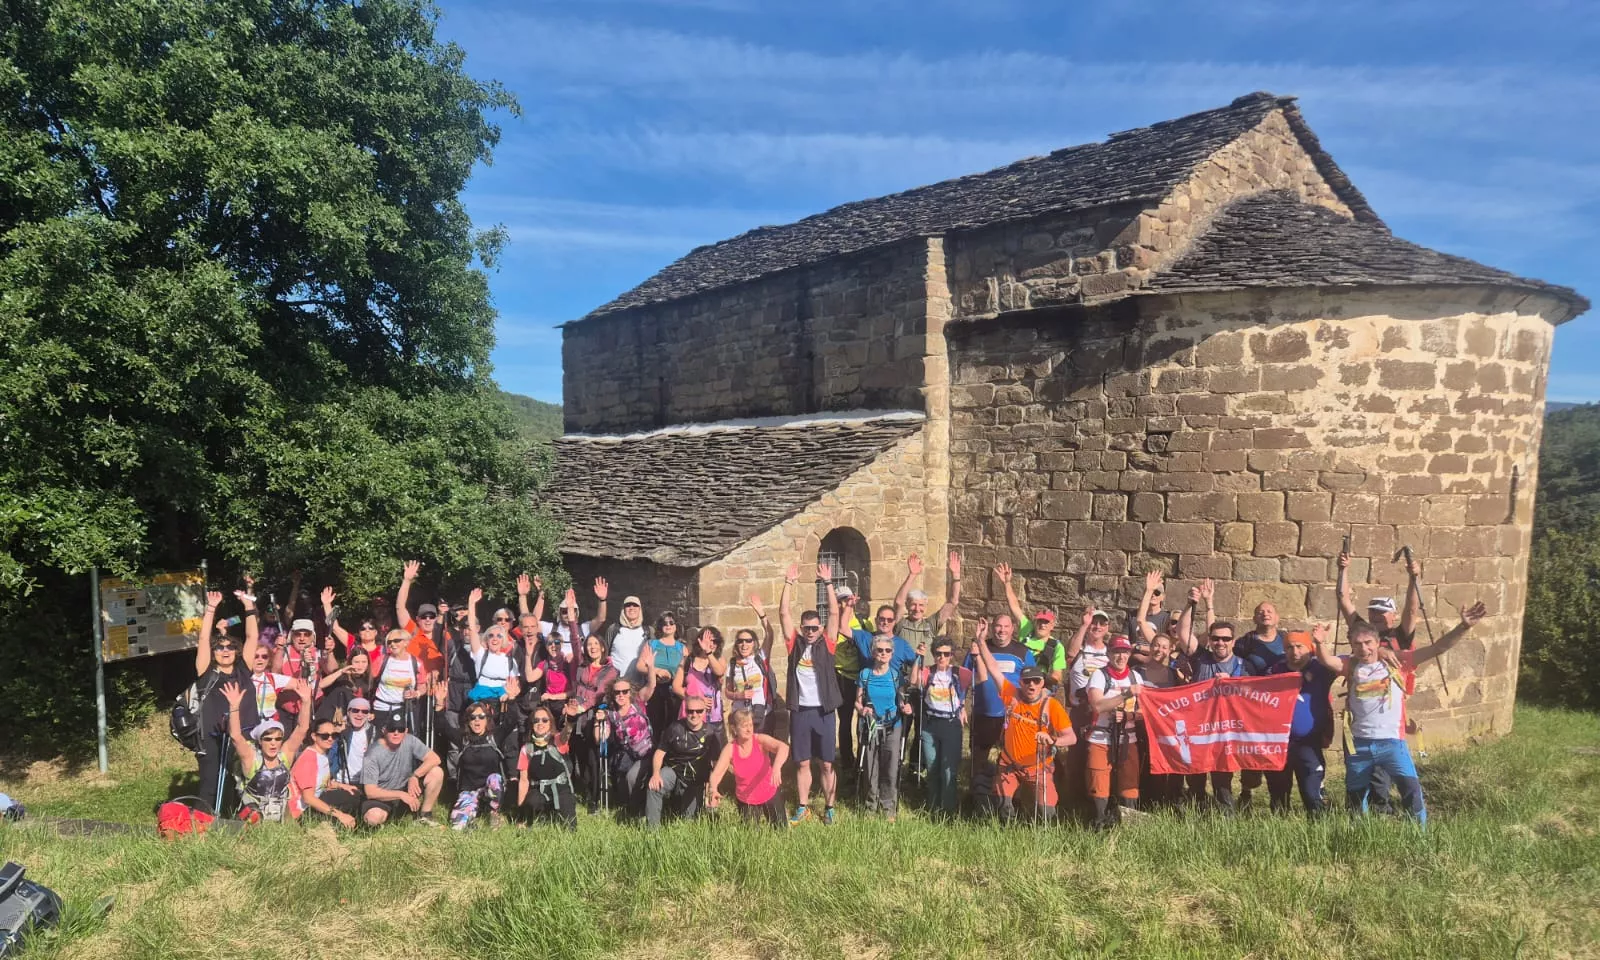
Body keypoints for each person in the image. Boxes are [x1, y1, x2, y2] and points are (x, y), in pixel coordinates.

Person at [1343, 602, 1485, 825]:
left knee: (1410, 786)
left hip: (1392, 742)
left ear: (1378, 642)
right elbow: (1322, 659)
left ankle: (1419, 832)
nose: (1364, 648)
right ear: (1352, 645)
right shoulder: (1351, 664)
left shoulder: (1399, 661)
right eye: (1358, 644)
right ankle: (1356, 833)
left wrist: (1463, 627)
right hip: (1360, 742)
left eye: (1369, 643)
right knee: (1355, 792)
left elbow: (1437, 648)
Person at [970, 618, 1074, 823]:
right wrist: (981, 641)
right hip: (1009, 767)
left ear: (1042, 683)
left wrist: (1053, 740)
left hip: (1038, 768)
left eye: (1036, 681)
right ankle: (1006, 830)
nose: (1032, 686)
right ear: (1021, 682)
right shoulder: (1012, 695)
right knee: (1002, 808)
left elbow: (1071, 738)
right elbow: (993, 668)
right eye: (1027, 681)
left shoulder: (1050, 705)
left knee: (1047, 815)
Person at [778, 562, 844, 825]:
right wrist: (788, 583)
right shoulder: (794, 645)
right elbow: (783, 613)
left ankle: (829, 806)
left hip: (824, 711)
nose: (810, 631)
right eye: (807, 627)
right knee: (802, 762)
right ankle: (803, 806)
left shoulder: (827, 644)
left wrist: (828, 583)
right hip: (801, 711)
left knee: (826, 763)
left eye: (814, 627)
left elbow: (835, 615)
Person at [192, 589, 262, 814]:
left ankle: (236, 821)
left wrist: (248, 607)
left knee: (242, 780)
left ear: (236, 650)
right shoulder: (207, 672)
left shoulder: (243, 669)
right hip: (212, 736)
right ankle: (202, 822)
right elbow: (203, 638)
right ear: (214, 653)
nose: (225, 650)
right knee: (209, 783)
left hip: (244, 734)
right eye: (219, 647)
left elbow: (253, 637)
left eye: (230, 647)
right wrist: (211, 608)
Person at [964, 602, 1035, 816]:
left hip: (1012, 716)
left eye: (1005, 627)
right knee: (979, 757)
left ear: (1013, 629)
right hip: (984, 713)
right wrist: (959, 704)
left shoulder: (1023, 652)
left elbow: (1033, 681)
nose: (1001, 631)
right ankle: (977, 800)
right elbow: (964, 678)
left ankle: (1012, 801)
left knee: (1013, 759)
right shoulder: (979, 649)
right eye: (997, 626)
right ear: (991, 628)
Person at [1266, 628, 1341, 815]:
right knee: (1278, 794)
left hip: (1310, 741)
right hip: (1280, 743)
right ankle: (1278, 834)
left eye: (1299, 646)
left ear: (1309, 648)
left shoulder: (1322, 669)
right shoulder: (1275, 670)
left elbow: (1348, 662)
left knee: (1312, 792)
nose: (1295, 651)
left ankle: (1319, 832)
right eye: (1290, 647)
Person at [1185, 619, 1256, 812]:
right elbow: (1184, 633)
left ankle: (1227, 822)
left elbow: (1254, 698)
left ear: (1233, 641)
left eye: (1226, 638)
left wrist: (1233, 683)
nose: (1220, 643)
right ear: (1209, 640)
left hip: (1225, 733)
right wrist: (1191, 604)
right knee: (1195, 779)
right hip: (1199, 729)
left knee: (1222, 782)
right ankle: (1198, 817)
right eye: (1216, 638)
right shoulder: (1201, 659)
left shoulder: (1244, 666)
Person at [218, 679, 312, 822]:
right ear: (260, 742)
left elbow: (302, 729)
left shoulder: (285, 756)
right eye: (268, 739)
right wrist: (234, 707)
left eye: (278, 739)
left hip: (281, 817)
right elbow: (236, 736)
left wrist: (306, 702)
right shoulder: (252, 759)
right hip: (253, 819)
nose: (273, 744)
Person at [433, 683, 517, 830]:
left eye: (481, 716)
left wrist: (512, 699)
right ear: (468, 721)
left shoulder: (494, 736)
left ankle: (493, 812)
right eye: (473, 717)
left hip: (491, 789)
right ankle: (473, 817)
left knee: (495, 779)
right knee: (457, 827)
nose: (477, 720)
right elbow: (442, 728)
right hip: (469, 790)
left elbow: (511, 721)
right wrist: (440, 703)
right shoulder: (463, 738)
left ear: (487, 719)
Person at [1084, 636, 1143, 828]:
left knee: (1129, 780)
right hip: (1101, 737)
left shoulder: (1136, 677)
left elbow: (1145, 711)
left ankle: (1129, 822)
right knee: (1098, 780)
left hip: (1128, 738)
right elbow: (1097, 706)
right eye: (1116, 652)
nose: (1121, 656)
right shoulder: (1099, 676)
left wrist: (1128, 717)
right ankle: (1099, 821)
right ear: (1109, 653)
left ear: (1129, 654)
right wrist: (1125, 694)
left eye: (1125, 652)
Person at [908, 636, 970, 817]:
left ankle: (948, 810)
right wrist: (917, 658)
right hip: (930, 725)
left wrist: (977, 654)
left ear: (951, 655)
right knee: (933, 767)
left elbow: (980, 678)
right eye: (938, 654)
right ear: (933, 655)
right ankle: (933, 806)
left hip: (951, 725)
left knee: (949, 769)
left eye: (946, 654)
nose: (942, 657)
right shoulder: (928, 671)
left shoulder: (959, 673)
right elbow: (914, 681)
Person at [855, 636, 913, 820]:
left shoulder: (896, 675)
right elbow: (857, 701)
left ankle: (888, 808)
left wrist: (906, 707)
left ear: (892, 653)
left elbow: (902, 699)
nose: (883, 654)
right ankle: (870, 806)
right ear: (873, 653)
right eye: (879, 650)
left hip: (892, 726)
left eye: (887, 650)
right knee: (871, 768)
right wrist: (862, 709)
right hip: (871, 726)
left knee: (890, 768)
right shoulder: (865, 674)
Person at [359, 708, 445, 827]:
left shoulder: (410, 740)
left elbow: (435, 759)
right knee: (373, 818)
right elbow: (370, 792)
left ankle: (425, 816)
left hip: (407, 790)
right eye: (392, 729)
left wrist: (414, 776)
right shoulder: (372, 754)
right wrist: (400, 794)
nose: (396, 733)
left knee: (436, 772)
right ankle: (386, 821)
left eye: (400, 729)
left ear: (406, 731)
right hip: (383, 797)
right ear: (384, 730)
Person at [565, 628, 620, 813]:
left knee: (593, 758)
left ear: (603, 648)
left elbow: (599, 694)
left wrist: (580, 708)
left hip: (595, 716)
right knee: (580, 756)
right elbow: (574, 641)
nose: (592, 647)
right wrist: (572, 616)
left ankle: (595, 799)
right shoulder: (581, 665)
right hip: (577, 717)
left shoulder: (610, 671)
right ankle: (587, 790)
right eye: (589, 644)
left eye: (596, 644)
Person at [707, 708, 790, 827]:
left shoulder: (760, 740)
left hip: (769, 792)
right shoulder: (730, 749)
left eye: (750, 724)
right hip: (746, 798)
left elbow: (783, 748)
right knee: (750, 837)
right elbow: (717, 774)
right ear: (734, 729)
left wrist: (776, 767)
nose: (749, 729)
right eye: (744, 726)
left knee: (781, 831)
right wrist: (713, 789)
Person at [646, 695, 715, 828]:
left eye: (699, 711)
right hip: (673, 771)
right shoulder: (675, 727)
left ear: (704, 712)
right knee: (654, 787)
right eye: (690, 711)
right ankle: (652, 831)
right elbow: (660, 753)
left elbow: (716, 764)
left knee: (689, 823)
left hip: (696, 779)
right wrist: (655, 774)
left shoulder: (711, 733)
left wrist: (712, 788)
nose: (694, 715)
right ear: (685, 711)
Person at [996, 562, 1065, 689]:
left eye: (1046, 623)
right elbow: (1014, 606)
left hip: (1038, 683)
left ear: (1052, 626)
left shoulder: (1056, 646)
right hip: (1018, 678)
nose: (1042, 625)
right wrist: (1007, 583)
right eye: (1040, 622)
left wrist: (1044, 681)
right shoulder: (1027, 630)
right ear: (1035, 622)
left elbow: (1057, 674)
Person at [293, 714, 362, 829]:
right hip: (302, 811)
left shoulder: (322, 754)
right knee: (340, 820)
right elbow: (308, 798)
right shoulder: (309, 759)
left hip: (317, 799)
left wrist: (342, 786)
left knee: (353, 794)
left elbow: (321, 782)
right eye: (325, 736)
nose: (330, 739)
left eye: (334, 735)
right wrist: (340, 815)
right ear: (314, 736)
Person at [724, 595, 781, 734]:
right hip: (740, 715)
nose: (744, 644)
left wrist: (761, 614)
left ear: (754, 643)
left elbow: (770, 634)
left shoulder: (760, 658)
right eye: (740, 641)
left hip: (761, 713)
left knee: (763, 748)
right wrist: (739, 695)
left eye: (748, 641)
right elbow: (727, 691)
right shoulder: (732, 665)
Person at [517, 706, 577, 831]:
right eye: (536, 720)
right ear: (531, 725)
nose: (540, 723)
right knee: (531, 804)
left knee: (569, 827)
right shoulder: (526, 749)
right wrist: (521, 814)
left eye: (545, 720)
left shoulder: (558, 740)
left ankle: (556, 812)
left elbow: (566, 733)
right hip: (540, 791)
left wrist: (570, 720)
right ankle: (544, 814)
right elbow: (523, 781)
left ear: (551, 723)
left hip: (561, 790)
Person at [604, 675, 657, 815]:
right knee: (624, 780)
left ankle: (637, 810)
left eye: (625, 691)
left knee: (632, 777)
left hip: (648, 753)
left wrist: (651, 667)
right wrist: (600, 723)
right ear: (612, 694)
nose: (621, 695)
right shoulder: (611, 715)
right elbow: (602, 737)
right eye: (617, 692)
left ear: (630, 692)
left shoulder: (638, 703)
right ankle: (632, 808)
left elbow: (651, 685)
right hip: (629, 755)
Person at [892, 551, 962, 652]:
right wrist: (912, 575)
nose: (917, 609)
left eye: (921, 605)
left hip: (927, 668)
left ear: (926, 606)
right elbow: (899, 602)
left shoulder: (931, 625)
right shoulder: (900, 624)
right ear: (907, 605)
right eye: (913, 604)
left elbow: (953, 602)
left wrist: (956, 575)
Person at [322, 586, 385, 675]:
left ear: (376, 632)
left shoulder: (383, 649)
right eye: (363, 628)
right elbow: (335, 627)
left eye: (371, 628)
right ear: (359, 632)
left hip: (375, 686)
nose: (367, 630)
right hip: (352, 685)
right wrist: (327, 604)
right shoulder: (352, 643)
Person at [372, 627, 426, 730]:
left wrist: (416, 693)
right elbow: (369, 678)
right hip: (381, 708)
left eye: (396, 641)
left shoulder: (416, 662)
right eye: (389, 642)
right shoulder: (382, 660)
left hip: (404, 709)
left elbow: (423, 686)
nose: (392, 644)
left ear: (406, 643)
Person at [673, 625, 726, 728]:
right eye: (707, 640)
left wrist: (708, 652)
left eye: (714, 641)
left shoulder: (719, 659)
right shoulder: (688, 661)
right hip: (692, 713)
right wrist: (697, 700)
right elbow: (676, 687)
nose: (711, 644)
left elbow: (719, 672)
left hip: (713, 716)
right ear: (699, 641)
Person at [645, 610, 686, 734]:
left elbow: (687, 669)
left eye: (671, 623)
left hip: (674, 691)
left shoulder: (682, 647)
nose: (668, 625)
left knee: (674, 724)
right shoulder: (652, 644)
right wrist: (657, 670)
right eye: (664, 623)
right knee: (656, 723)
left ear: (676, 626)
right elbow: (640, 666)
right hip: (655, 689)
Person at [606, 591, 652, 684]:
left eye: (635, 605)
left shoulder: (648, 631)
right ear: (623, 609)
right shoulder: (614, 629)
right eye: (628, 605)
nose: (631, 608)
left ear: (640, 609)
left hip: (639, 684)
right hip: (616, 683)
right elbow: (605, 653)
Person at [334, 696, 377, 786]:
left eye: (364, 711)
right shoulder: (339, 730)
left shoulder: (374, 732)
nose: (359, 714)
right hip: (341, 782)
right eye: (355, 710)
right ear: (348, 712)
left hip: (365, 783)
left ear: (368, 714)